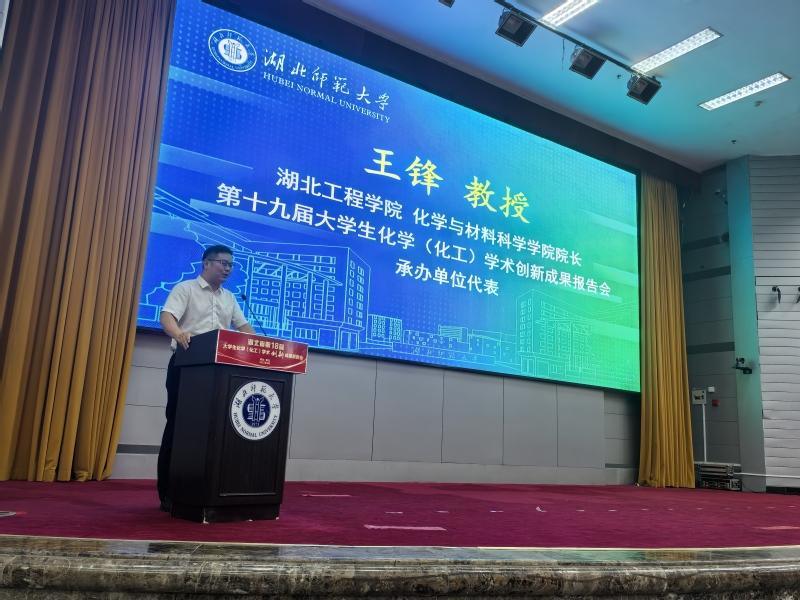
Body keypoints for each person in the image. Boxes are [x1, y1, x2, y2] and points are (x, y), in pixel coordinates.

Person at [157, 244, 256, 511]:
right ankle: (169, 492)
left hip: (220, 371)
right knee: (179, 427)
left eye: (231, 265)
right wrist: (179, 334)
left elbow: (242, 326)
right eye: (223, 263)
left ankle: (208, 488)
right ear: (206, 263)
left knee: (214, 430)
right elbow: (167, 316)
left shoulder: (229, 297)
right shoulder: (186, 289)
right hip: (187, 366)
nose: (228, 269)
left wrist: (260, 345)